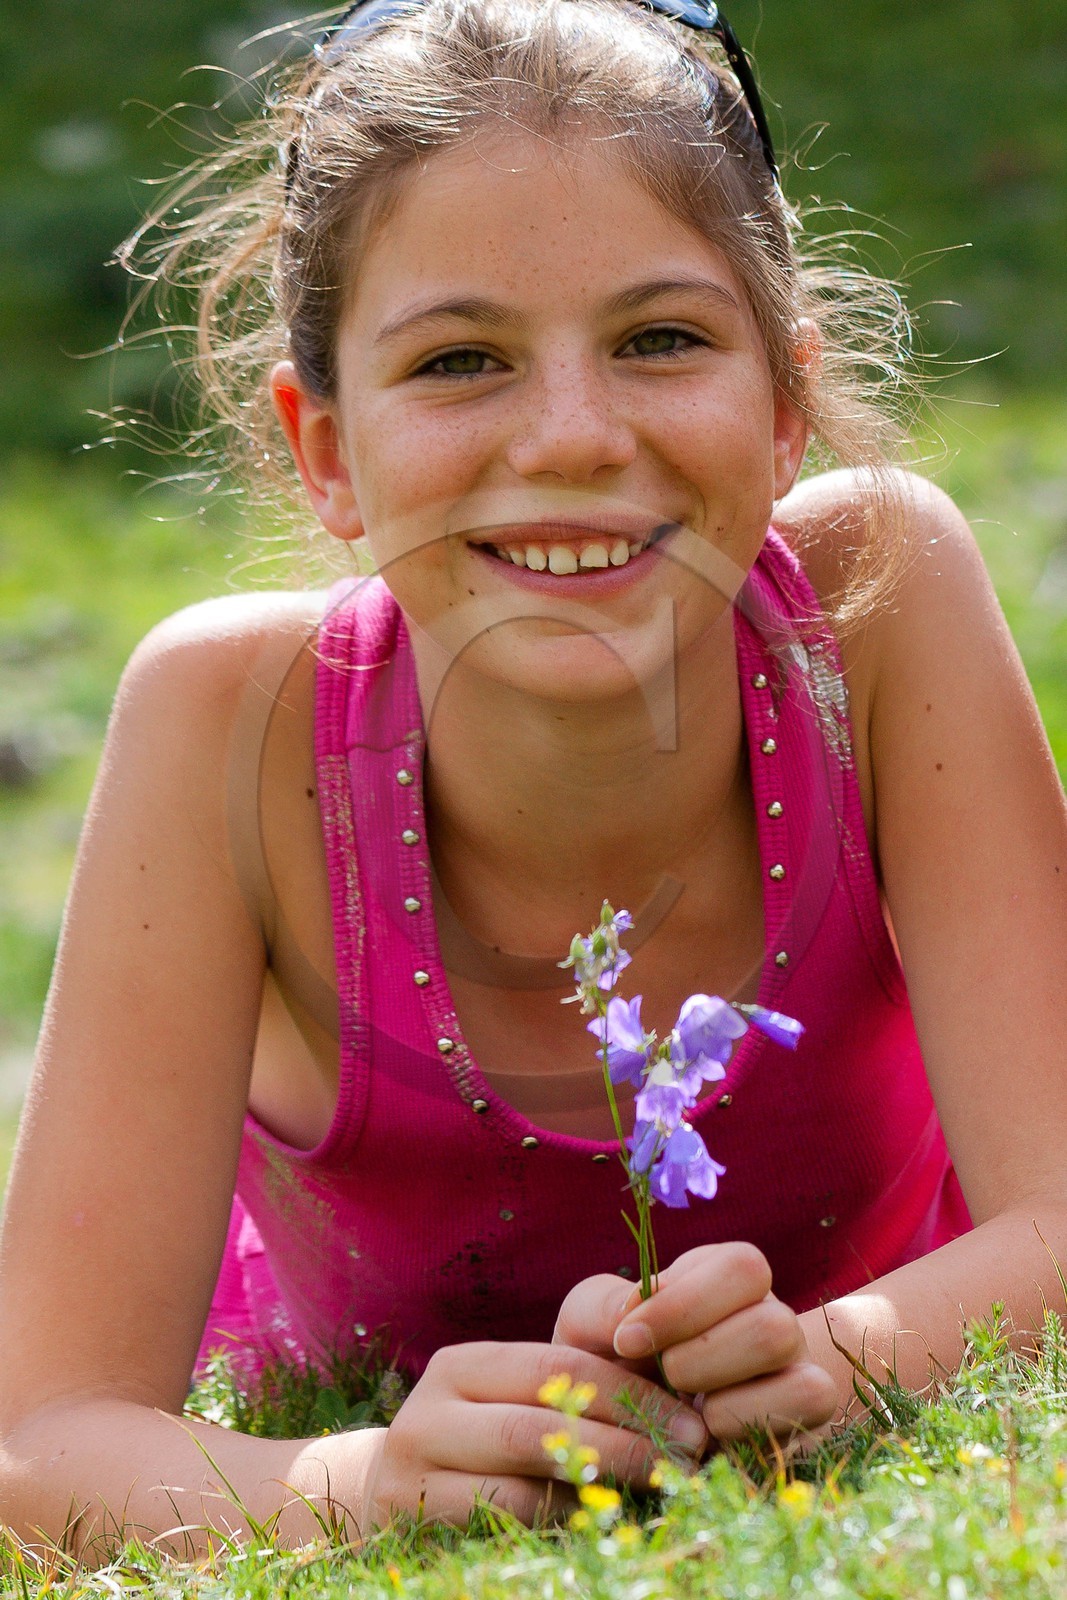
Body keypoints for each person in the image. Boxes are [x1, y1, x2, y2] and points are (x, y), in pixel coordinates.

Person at [1, 0, 1066, 1559]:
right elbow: (41, 1438)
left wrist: (845, 1357)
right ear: (328, 453)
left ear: (784, 404)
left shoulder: (874, 609)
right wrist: (362, 1485)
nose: (572, 434)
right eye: (459, 360)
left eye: (661, 340)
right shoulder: (232, 721)